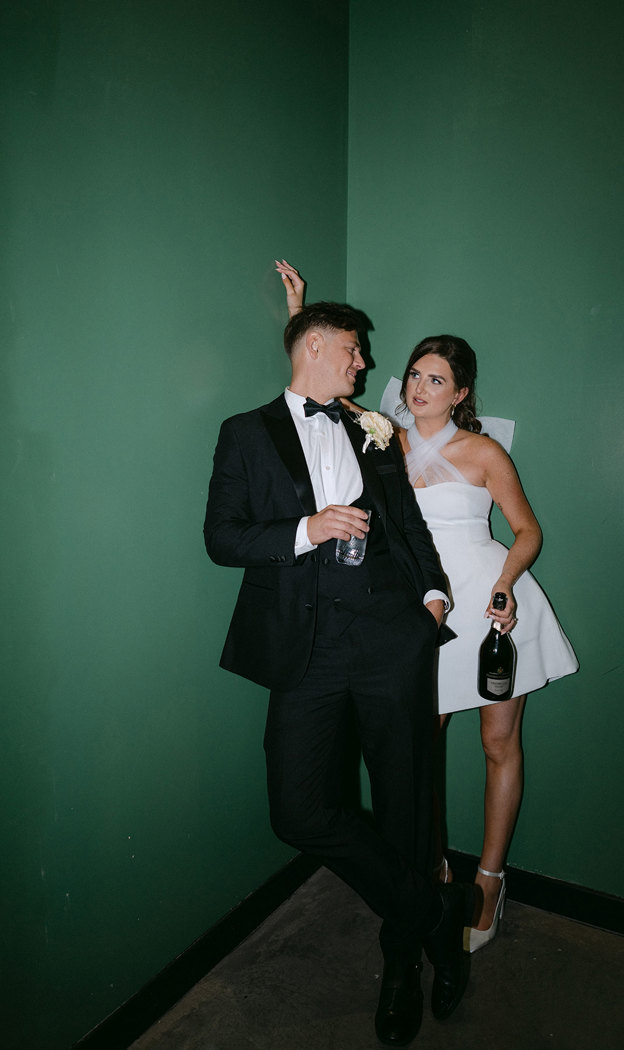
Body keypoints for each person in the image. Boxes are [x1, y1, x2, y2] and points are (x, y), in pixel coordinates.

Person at [276, 261, 578, 956]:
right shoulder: (380, 434)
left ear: (461, 391)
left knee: (499, 745)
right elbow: (309, 380)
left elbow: (527, 530)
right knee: (418, 753)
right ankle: (433, 874)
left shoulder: (484, 451)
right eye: (414, 374)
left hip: (493, 604)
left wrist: (506, 584)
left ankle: (491, 882)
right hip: (424, 614)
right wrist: (296, 309)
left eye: (435, 378)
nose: (418, 386)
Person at [204, 299, 471, 1047]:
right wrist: (306, 528)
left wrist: (432, 597)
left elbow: (408, 523)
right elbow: (221, 538)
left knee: (405, 806)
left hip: (392, 638)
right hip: (305, 648)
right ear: (316, 347)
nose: (364, 364)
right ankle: (433, 917)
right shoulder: (245, 433)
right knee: (297, 810)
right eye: (355, 351)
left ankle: (399, 964)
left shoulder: (371, 428)